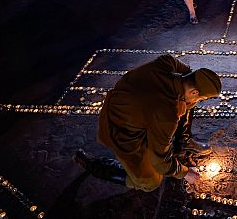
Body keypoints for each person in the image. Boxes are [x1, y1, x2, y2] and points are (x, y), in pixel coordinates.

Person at [74, 54, 221, 191]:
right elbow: (161, 162)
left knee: (187, 102)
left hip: (138, 107)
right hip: (123, 127)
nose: (198, 101)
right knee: (149, 182)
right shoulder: (167, 113)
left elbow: (188, 75)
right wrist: (184, 172)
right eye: (200, 98)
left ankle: (183, 141)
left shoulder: (167, 62)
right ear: (195, 91)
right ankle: (93, 164)